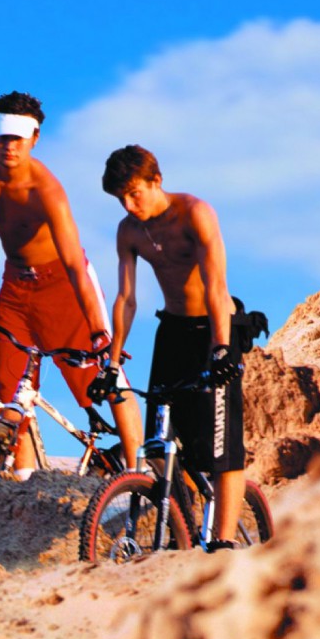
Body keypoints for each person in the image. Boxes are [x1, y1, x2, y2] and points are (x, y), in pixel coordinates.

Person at [0, 91, 143, 472]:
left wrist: (99, 331)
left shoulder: (47, 189)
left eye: (18, 137)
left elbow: (74, 265)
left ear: (34, 138)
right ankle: (23, 479)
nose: (8, 146)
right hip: (15, 285)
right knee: (11, 390)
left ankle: (137, 473)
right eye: (2, 135)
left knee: (103, 378)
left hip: (62, 282)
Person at [102, 144, 247, 548]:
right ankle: (183, 534)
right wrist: (112, 364)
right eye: (121, 198)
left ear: (156, 181)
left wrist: (221, 350)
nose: (129, 205)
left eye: (135, 193)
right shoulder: (129, 231)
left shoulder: (195, 214)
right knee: (160, 443)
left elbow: (217, 289)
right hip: (172, 331)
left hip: (214, 328)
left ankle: (224, 545)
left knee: (221, 445)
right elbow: (126, 300)